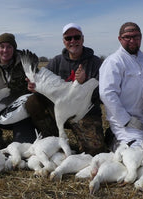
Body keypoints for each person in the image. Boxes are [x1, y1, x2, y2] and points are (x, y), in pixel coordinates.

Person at [24, 23, 106, 155]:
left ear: (82, 39)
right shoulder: (56, 62)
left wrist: (84, 83)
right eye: (68, 38)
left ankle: (103, 137)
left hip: (84, 113)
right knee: (33, 100)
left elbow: (103, 93)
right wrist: (33, 87)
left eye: (76, 37)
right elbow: (38, 79)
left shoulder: (96, 63)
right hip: (61, 111)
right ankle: (52, 138)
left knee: (93, 151)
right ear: (64, 42)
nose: (73, 41)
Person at [99, 22, 143, 150]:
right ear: (120, 39)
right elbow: (107, 93)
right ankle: (115, 140)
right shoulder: (114, 62)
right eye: (127, 37)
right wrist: (126, 120)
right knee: (139, 154)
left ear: (141, 38)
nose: (132, 40)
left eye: (136, 37)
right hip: (127, 125)